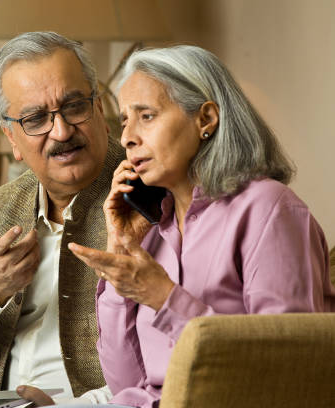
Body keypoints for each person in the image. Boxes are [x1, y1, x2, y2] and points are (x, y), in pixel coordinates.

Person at [67, 45, 335, 407]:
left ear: (206, 119)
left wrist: (163, 298)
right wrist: (120, 254)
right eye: (124, 121)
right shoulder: (151, 228)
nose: (127, 137)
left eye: (146, 116)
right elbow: (126, 385)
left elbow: (287, 370)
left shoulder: (268, 209)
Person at [0, 32, 125, 405]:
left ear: (100, 108)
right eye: (35, 118)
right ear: (12, 138)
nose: (61, 132)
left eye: (74, 106)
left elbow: (165, 368)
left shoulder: (149, 199)